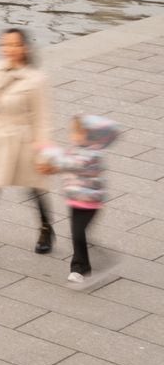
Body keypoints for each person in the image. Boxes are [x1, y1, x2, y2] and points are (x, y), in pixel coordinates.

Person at [0, 26, 56, 266]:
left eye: (15, 45)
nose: (10, 49)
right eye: (6, 45)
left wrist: (43, 153)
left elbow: (43, 118)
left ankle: (46, 228)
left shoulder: (36, 79)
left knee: (32, 187)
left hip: (23, 140)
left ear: (25, 48)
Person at [40, 114, 120, 285]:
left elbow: (71, 164)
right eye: (73, 132)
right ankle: (85, 265)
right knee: (78, 234)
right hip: (75, 201)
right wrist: (51, 168)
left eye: (77, 133)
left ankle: (79, 269)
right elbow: (65, 165)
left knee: (77, 234)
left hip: (90, 203)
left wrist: (48, 151)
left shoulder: (93, 154)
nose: (73, 136)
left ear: (89, 134)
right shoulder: (75, 149)